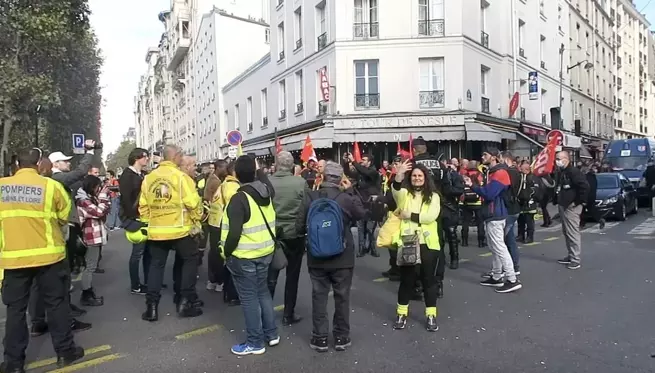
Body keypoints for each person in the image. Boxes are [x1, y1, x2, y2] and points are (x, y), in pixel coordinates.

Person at [0, 148, 85, 372]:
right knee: (57, 306)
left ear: (17, 164)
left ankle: (13, 363)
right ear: (39, 164)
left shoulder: (1, 187)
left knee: (16, 311)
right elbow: (66, 215)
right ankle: (65, 352)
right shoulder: (51, 187)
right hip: (50, 257)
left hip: (13, 260)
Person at [296, 161, 366, 352]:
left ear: (323, 177)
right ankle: (341, 337)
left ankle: (320, 338)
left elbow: (299, 226)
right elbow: (361, 214)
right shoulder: (345, 198)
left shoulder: (310, 196)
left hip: (316, 257)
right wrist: (351, 191)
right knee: (342, 297)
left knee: (319, 296)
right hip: (342, 256)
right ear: (341, 179)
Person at [28, 144, 96, 338]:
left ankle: (38, 322)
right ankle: (65, 323)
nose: (68, 163)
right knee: (60, 280)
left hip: (35, 240)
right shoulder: (56, 179)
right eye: (65, 161)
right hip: (57, 236)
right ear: (54, 164)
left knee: (36, 285)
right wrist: (89, 152)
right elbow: (80, 173)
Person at [221, 155, 279, 356]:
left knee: (249, 299)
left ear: (235, 174)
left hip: (244, 255)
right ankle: (271, 334)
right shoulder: (266, 192)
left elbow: (234, 233)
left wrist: (225, 252)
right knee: (263, 293)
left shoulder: (239, 198)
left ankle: (255, 342)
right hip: (265, 252)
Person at [140, 145, 203, 321]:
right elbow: (193, 203)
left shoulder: (149, 178)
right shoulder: (181, 178)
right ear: (175, 157)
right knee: (190, 261)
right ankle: (185, 301)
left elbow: (143, 206)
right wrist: (196, 220)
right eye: (180, 155)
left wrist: (150, 222)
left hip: (157, 231)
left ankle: (151, 307)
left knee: (156, 266)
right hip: (180, 229)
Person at [391, 160, 442, 332]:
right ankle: (401, 313)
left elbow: (431, 217)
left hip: (428, 243)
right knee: (407, 280)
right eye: (414, 175)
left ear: (425, 178)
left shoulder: (434, 196)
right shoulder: (405, 193)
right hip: (408, 241)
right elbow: (396, 192)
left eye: (420, 175)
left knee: (429, 280)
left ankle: (431, 315)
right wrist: (399, 174)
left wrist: (409, 215)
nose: (417, 178)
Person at [465, 148, 522, 293]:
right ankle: (497, 276)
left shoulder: (499, 173)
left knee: (499, 247)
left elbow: (489, 194)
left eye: (485, 154)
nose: (482, 156)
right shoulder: (495, 172)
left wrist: (473, 186)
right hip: (495, 213)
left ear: (494, 157)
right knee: (496, 246)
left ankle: (511, 279)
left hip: (495, 214)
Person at [268, 151, 306, 326]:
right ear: (292, 166)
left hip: (273, 233)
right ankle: (288, 314)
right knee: (293, 275)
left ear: (276, 165)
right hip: (294, 233)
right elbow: (305, 207)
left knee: (271, 275)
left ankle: (266, 313)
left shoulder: (268, 182)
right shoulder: (300, 182)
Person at [75, 175, 110, 307]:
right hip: (90, 237)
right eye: (97, 187)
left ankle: (88, 292)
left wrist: (102, 200)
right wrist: (102, 197)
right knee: (89, 267)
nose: (99, 189)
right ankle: (86, 294)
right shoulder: (83, 201)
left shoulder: (89, 199)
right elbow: (99, 212)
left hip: (95, 236)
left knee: (90, 266)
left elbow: (105, 210)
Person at [119, 148, 151, 295]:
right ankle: (135, 284)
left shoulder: (141, 174)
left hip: (145, 216)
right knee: (137, 253)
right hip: (136, 218)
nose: (148, 159)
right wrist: (135, 216)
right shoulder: (127, 175)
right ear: (137, 158)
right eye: (145, 157)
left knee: (148, 252)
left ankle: (150, 280)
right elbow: (126, 200)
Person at [554, 151, 589, 270]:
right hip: (564, 204)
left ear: (566, 159)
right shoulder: (562, 172)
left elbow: (584, 186)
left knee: (572, 232)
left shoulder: (573, 172)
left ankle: (575, 259)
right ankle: (571, 255)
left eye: (558, 158)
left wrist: (578, 202)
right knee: (567, 232)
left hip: (571, 206)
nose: (557, 161)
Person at [344, 153, 381, 258]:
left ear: (369, 162)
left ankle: (372, 248)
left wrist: (354, 162)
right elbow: (348, 173)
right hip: (360, 203)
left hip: (372, 204)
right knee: (360, 227)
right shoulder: (360, 172)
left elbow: (366, 172)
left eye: (364, 160)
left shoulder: (373, 172)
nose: (362, 161)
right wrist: (347, 162)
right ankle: (361, 248)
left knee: (371, 228)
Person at [204, 159, 227, 292]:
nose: (226, 170)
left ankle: (212, 279)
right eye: (224, 167)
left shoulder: (213, 179)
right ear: (219, 168)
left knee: (213, 250)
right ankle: (218, 280)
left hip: (213, 219)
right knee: (217, 251)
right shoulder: (216, 182)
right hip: (216, 220)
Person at [500, 151, 522, 275]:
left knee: (503, 240)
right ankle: (514, 265)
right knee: (510, 238)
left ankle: (508, 267)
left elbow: (505, 190)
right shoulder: (516, 172)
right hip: (515, 208)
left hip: (509, 208)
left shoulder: (508, 172)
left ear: (506, 159)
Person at [460, 160, 485, 248]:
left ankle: (464, 241)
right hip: (478, 202)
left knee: (465, 222)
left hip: (467, 202)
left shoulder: (464, 175)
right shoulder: (480, 175)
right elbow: (483, 187)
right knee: (480, 223)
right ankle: (481, 242)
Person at [517, 163, 541, 243]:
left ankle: (530, 237)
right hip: (521, 203)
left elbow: (536, 191)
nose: (520, 170)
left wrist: (529, 198)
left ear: (526, 169)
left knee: (529, 222)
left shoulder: (533, 178)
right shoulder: (520, 177)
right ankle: (520, 235)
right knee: (520, 221)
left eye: (522, 169)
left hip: (530, 204)